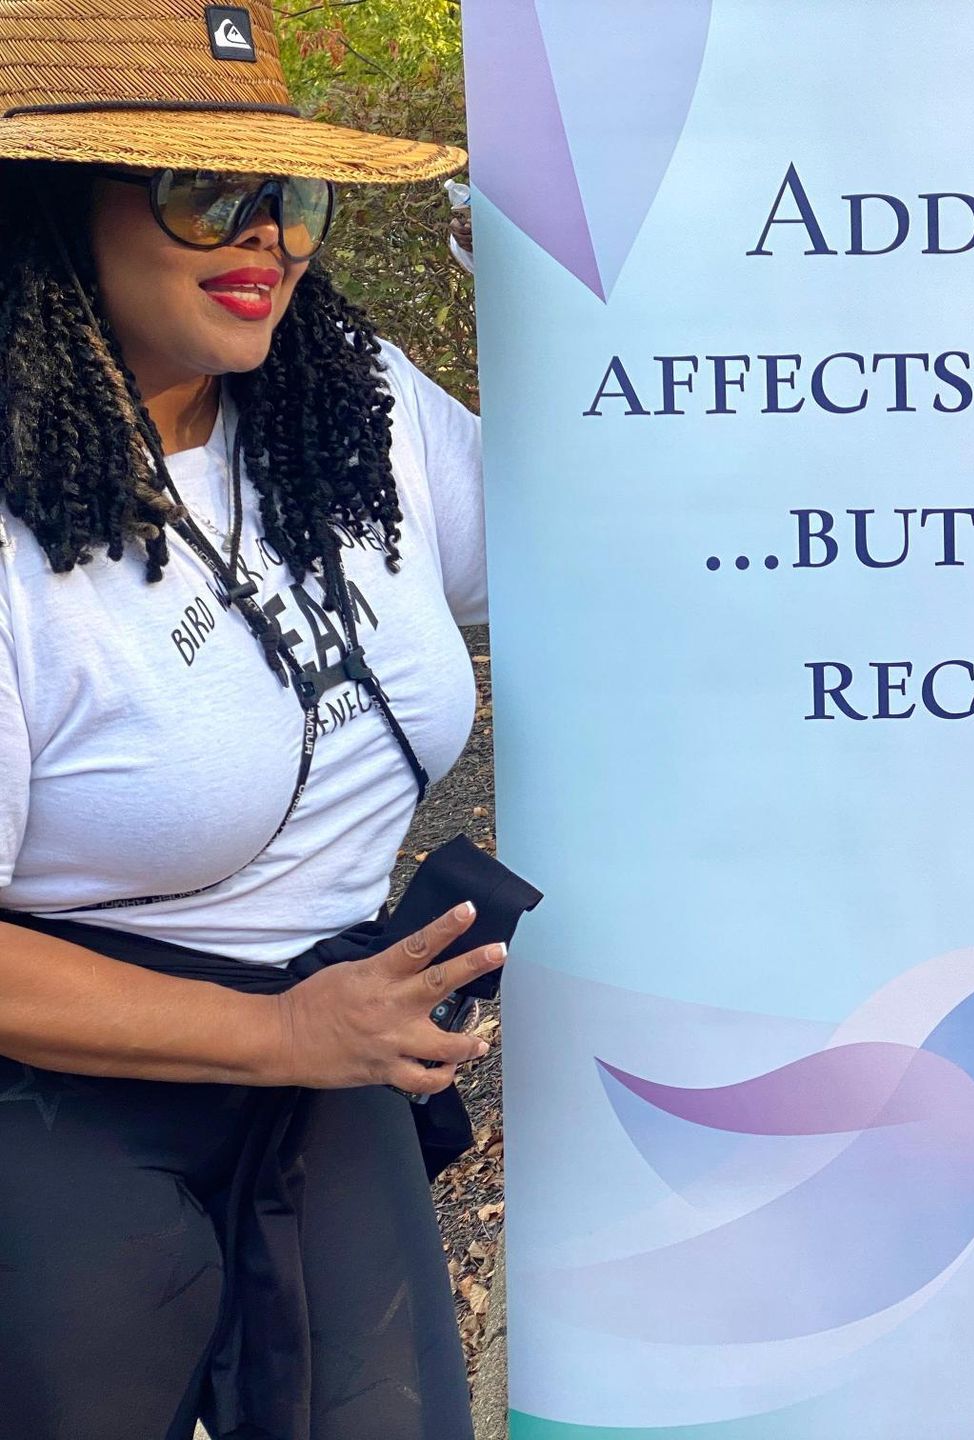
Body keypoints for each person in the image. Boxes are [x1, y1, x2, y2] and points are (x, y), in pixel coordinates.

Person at [0, 2, 503, 1437]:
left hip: (336, 1050)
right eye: (204, 191)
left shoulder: (353, 407)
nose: (269, 238)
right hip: (63, 1101)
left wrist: (566, 306)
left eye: (288, 194)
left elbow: (589, 554)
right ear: (45, 211)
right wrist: (276, 1034)